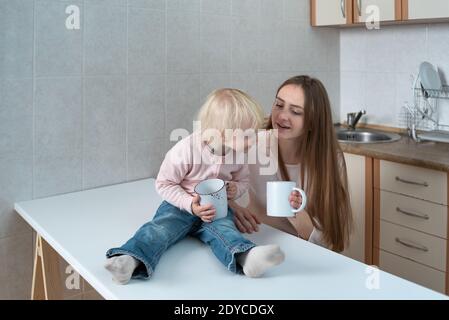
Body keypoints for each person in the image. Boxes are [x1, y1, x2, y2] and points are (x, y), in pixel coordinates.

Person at [104, 88, 285, 284]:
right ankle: (129, 260)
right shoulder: (187, 149)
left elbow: (243, 181)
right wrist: (190, 204)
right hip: (180, 205)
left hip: (216, 208)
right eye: (248, 135)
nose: (254, 139)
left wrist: (235, 188)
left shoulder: (239, 153)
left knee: (225, 230)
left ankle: (246, 257)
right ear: (222, 135)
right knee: (159, 229)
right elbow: (164, 183)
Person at [229, 75, 353, 252]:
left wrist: (303, 223)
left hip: (301, 250)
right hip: (253, 243)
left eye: (295, 111)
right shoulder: (252, 144)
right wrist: (232, 207)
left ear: (312, 121)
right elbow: (209, 181)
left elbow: (333, 239)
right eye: (279, 105)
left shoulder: (330, 159)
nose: (282, 116)